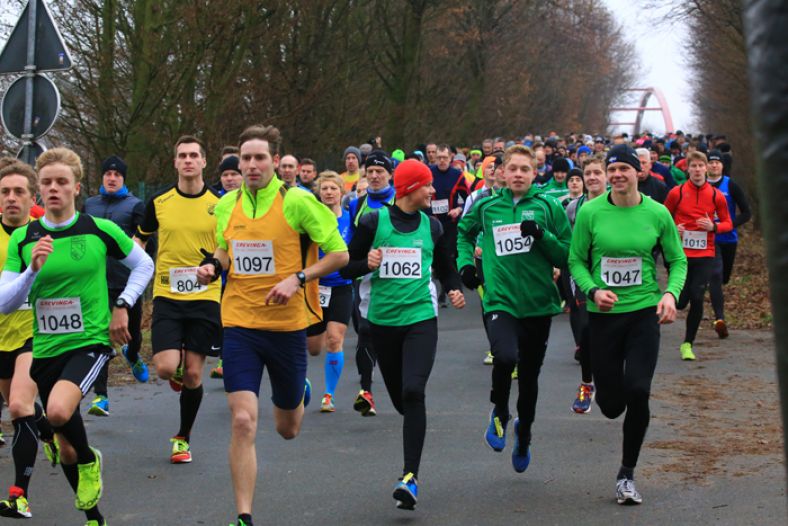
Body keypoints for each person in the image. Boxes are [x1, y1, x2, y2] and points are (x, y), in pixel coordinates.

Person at [195, 124, 348, 526]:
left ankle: (297, 394)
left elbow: (339, 255)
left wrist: (297, 278)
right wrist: (213, 265)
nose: (251, 165)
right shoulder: (227, 205)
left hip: (287, 327)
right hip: (240, 322)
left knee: (287, 429)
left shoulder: (298, 201)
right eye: (245, 158)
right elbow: (224, 249)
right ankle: (243, 515)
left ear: (275, 162)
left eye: (259, 157)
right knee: (243, 420)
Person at [0, 148, 154, 526]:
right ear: (40, 189)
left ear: (76, 188)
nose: (54, 188)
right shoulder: (24, 238)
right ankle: (93, 515)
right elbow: (5, 302)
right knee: (65, 444)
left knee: (55, 411)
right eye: (47, 183)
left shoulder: (98, 229)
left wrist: (122, 303)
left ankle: (90, 461)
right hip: (46, 346)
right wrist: (32, 271)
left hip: (89, 341)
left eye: (62, 182)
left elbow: (144, 264)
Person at [340, 159, 465, 510]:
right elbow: (346, 265)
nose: (433, 191)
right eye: (427, 185)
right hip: (381, 323)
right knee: (400, 399)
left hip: (421, 319)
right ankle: (409, 436)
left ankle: (410, 477)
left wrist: (454, 288)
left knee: (414, 391)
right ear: (410, 188)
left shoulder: (433, 226)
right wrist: (366, 263)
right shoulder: (372, 221)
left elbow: (445, 268)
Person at [568, 143, 687, 505]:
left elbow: (677, 260)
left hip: (643, 313)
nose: (618, 174)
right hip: (604, 318)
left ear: (639, 172)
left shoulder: (657, 213)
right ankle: (605, 396)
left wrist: (671, 295)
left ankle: (627, 474)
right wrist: (592, 290)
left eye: (625, 168)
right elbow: (575, 261)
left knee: (638, 390)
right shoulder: (591, 212)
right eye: (612, 168)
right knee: (611, 406)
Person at [457, 145, 572, 473]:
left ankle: (525, 433)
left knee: (531, 378)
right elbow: (463, 236)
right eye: (513, 169)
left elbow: (566, 254)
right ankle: (499, 412)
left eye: (526, 169)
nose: (519, 174)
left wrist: (542, 235)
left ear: (535, 173)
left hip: (537, 304)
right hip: (500, 300)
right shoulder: (487, 206)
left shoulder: (548, 207)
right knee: (505, 357)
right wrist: (466, 265)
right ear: (502, 173)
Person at [134, 135, 222, 463]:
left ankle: (182, 438)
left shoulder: (220, 203)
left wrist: (213, 265)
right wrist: (132, 265)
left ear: (203, 161)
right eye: (182, 155)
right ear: (175, 162)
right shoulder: (158, 202)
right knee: (165, 368)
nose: (188, 160)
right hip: (168, 294)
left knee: (195, 376)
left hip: (206, 295)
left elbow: (228, 243)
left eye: (193, 155)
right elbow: (139, 240)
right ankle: (177, 370)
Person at [0, 161, 56, 519]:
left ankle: (19, 494)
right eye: (5, 192)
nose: (11, 198)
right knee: (22, 408)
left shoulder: (45, 235)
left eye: (19, 191)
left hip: (35, 334)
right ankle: (49, 430)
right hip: (2, 335)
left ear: (32, 197)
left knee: (18, 407)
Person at [83, 156, 150, 418]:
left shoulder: (135, 205)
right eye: (107, 174)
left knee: (132, 333)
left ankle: (132, 355)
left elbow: (146, 243)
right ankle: (101, 397)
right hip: (96, 282)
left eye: (117, 175)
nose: (111, 178)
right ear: (102, 177)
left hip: (127, 281)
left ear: (123, 179)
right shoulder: (89, 204)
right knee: (101, 337)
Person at [664, 151, 732, 360]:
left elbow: (728, 223)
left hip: (705, 253)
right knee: (682, 300)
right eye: (693, 166)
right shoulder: (677, 192)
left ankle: (687, 344)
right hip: (681, 255)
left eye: (700, 166)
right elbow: (663, 220)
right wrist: (676, 229)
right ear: (688, 169)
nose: (697, 170)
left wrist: (713, 226)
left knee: (697, 296)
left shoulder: (715, 195)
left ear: (706, 168)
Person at [346, 151, 396, 416]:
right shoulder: (357, 204)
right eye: (370, 172)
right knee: (364, 330)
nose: (375, 176)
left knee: (390, 334)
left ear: (390, 174)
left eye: (380, 171)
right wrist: (355, 263)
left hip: (398, 278)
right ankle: (366, 390)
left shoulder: (401, 200)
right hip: (365, 276)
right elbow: (353, 243)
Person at [306, 172, 354, 412]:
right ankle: (301, 380)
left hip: (341, 288)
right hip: (315, 288)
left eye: (333, 188)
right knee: (314, 348)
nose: (328, 192)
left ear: (341, 192)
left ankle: (328, 394)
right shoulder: (311, 221)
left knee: (335, 339)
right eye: (324, 189)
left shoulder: (350, 219)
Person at [564, 159, 606, 413]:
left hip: (612, 276)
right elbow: (567, 241)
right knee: (586, 329)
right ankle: (586, 384)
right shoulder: (572, 207)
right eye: (587, 173)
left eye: (597, 173)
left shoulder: (618, 202)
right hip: (582, 274)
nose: (592, 177)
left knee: (611, 331)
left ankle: (611, 376)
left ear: (606, 177)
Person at [705, 149, 751, 337]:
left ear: (722, 166)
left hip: (728, 239)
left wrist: (729, 225)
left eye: (717, 162)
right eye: (711, 162)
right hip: (708, 240)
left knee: (723, 278)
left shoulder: (730, 185)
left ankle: (716, 299)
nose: (714, 165)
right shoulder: (699, 186)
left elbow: (747, 213)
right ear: (706, 165)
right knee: (715, 277)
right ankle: (720, 319)